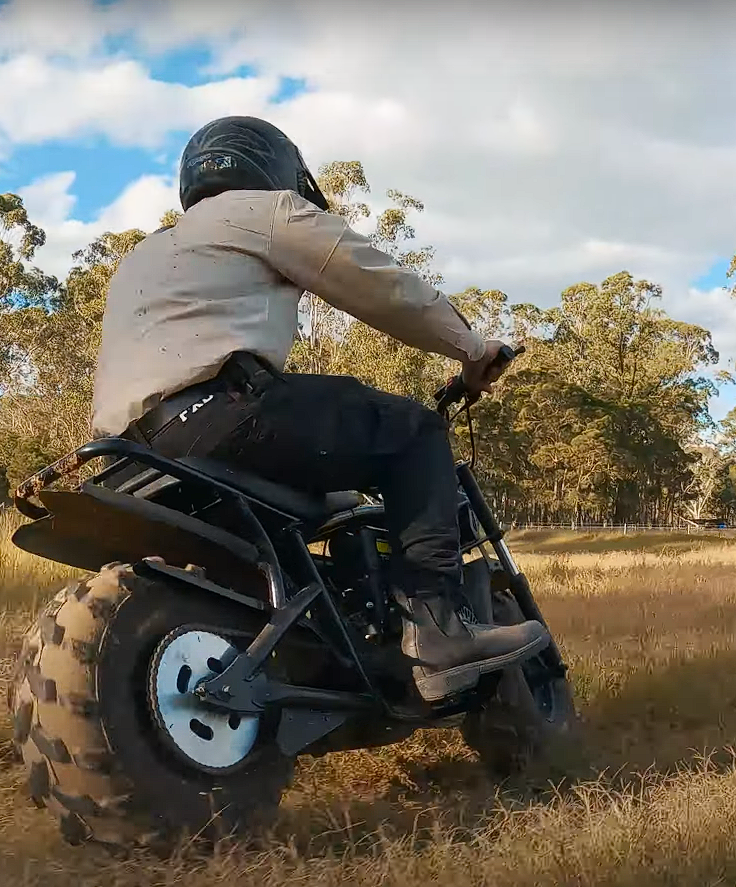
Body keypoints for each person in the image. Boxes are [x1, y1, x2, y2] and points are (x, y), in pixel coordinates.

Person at [89, 115, 551, 703]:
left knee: (325, 500)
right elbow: (381, 286)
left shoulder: (148, 251)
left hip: (134, 449)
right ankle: (438, 632)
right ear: (277, 168)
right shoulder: (265, 210)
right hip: (221, 416)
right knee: (413, 431)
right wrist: (471, 347)